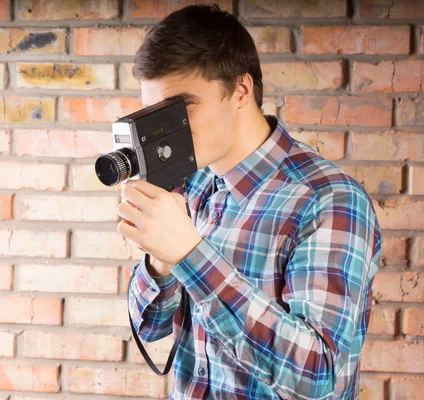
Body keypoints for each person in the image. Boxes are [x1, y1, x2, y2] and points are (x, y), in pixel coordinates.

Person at [118, 5, 382, 399]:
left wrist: (191, 254)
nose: (168, 131)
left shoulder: (328, 200)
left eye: (183, 106)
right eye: (157, 113)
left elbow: (317, 376)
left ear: (240, 90)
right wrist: (159, 260)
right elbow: (151, 328)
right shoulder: (189, 186)